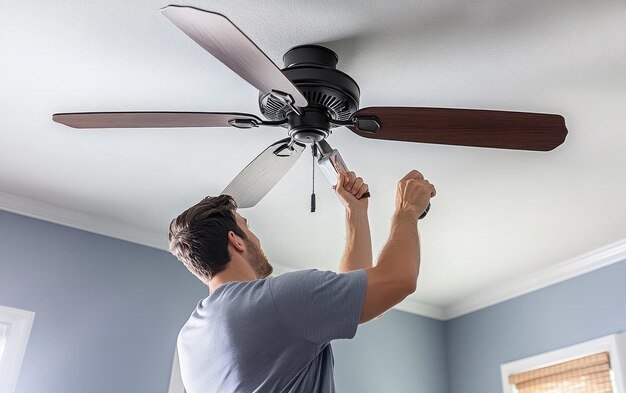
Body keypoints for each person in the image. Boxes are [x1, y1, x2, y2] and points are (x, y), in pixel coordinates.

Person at [168, 169, 436, 393]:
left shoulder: (189, 339)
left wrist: (356, 212)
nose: (255, 238)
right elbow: (398, 281)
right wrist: (407, 210)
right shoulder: (275, 300)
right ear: (236, 240)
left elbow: (350, 301)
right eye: (246, 226)